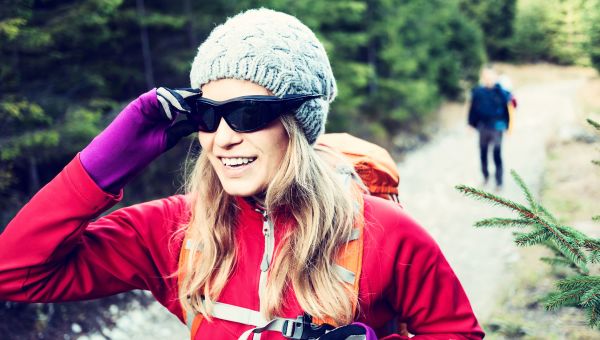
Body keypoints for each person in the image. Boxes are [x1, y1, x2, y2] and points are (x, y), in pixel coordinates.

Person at [0, 8, 484, 340]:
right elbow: (15, 273)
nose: (222, 138)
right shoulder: (173, 232)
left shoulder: (385, 232)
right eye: (207, 116)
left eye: (249, 113)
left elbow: (456, 331)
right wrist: (104, 162)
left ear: (298, 124)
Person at [468, 67, 511, 189]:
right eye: (486, 77)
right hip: (483, 127)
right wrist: (471, 124)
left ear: (495, 78)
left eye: (491, 77)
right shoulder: (478, 92)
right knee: (483, 153)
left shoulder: (501, 92)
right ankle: (485, 176)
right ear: (482, 78)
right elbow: (473, 109)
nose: (488, 80)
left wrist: (508, 126)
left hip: (497, 127)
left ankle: (499, 181)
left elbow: (508, 108)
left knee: (497, 153)